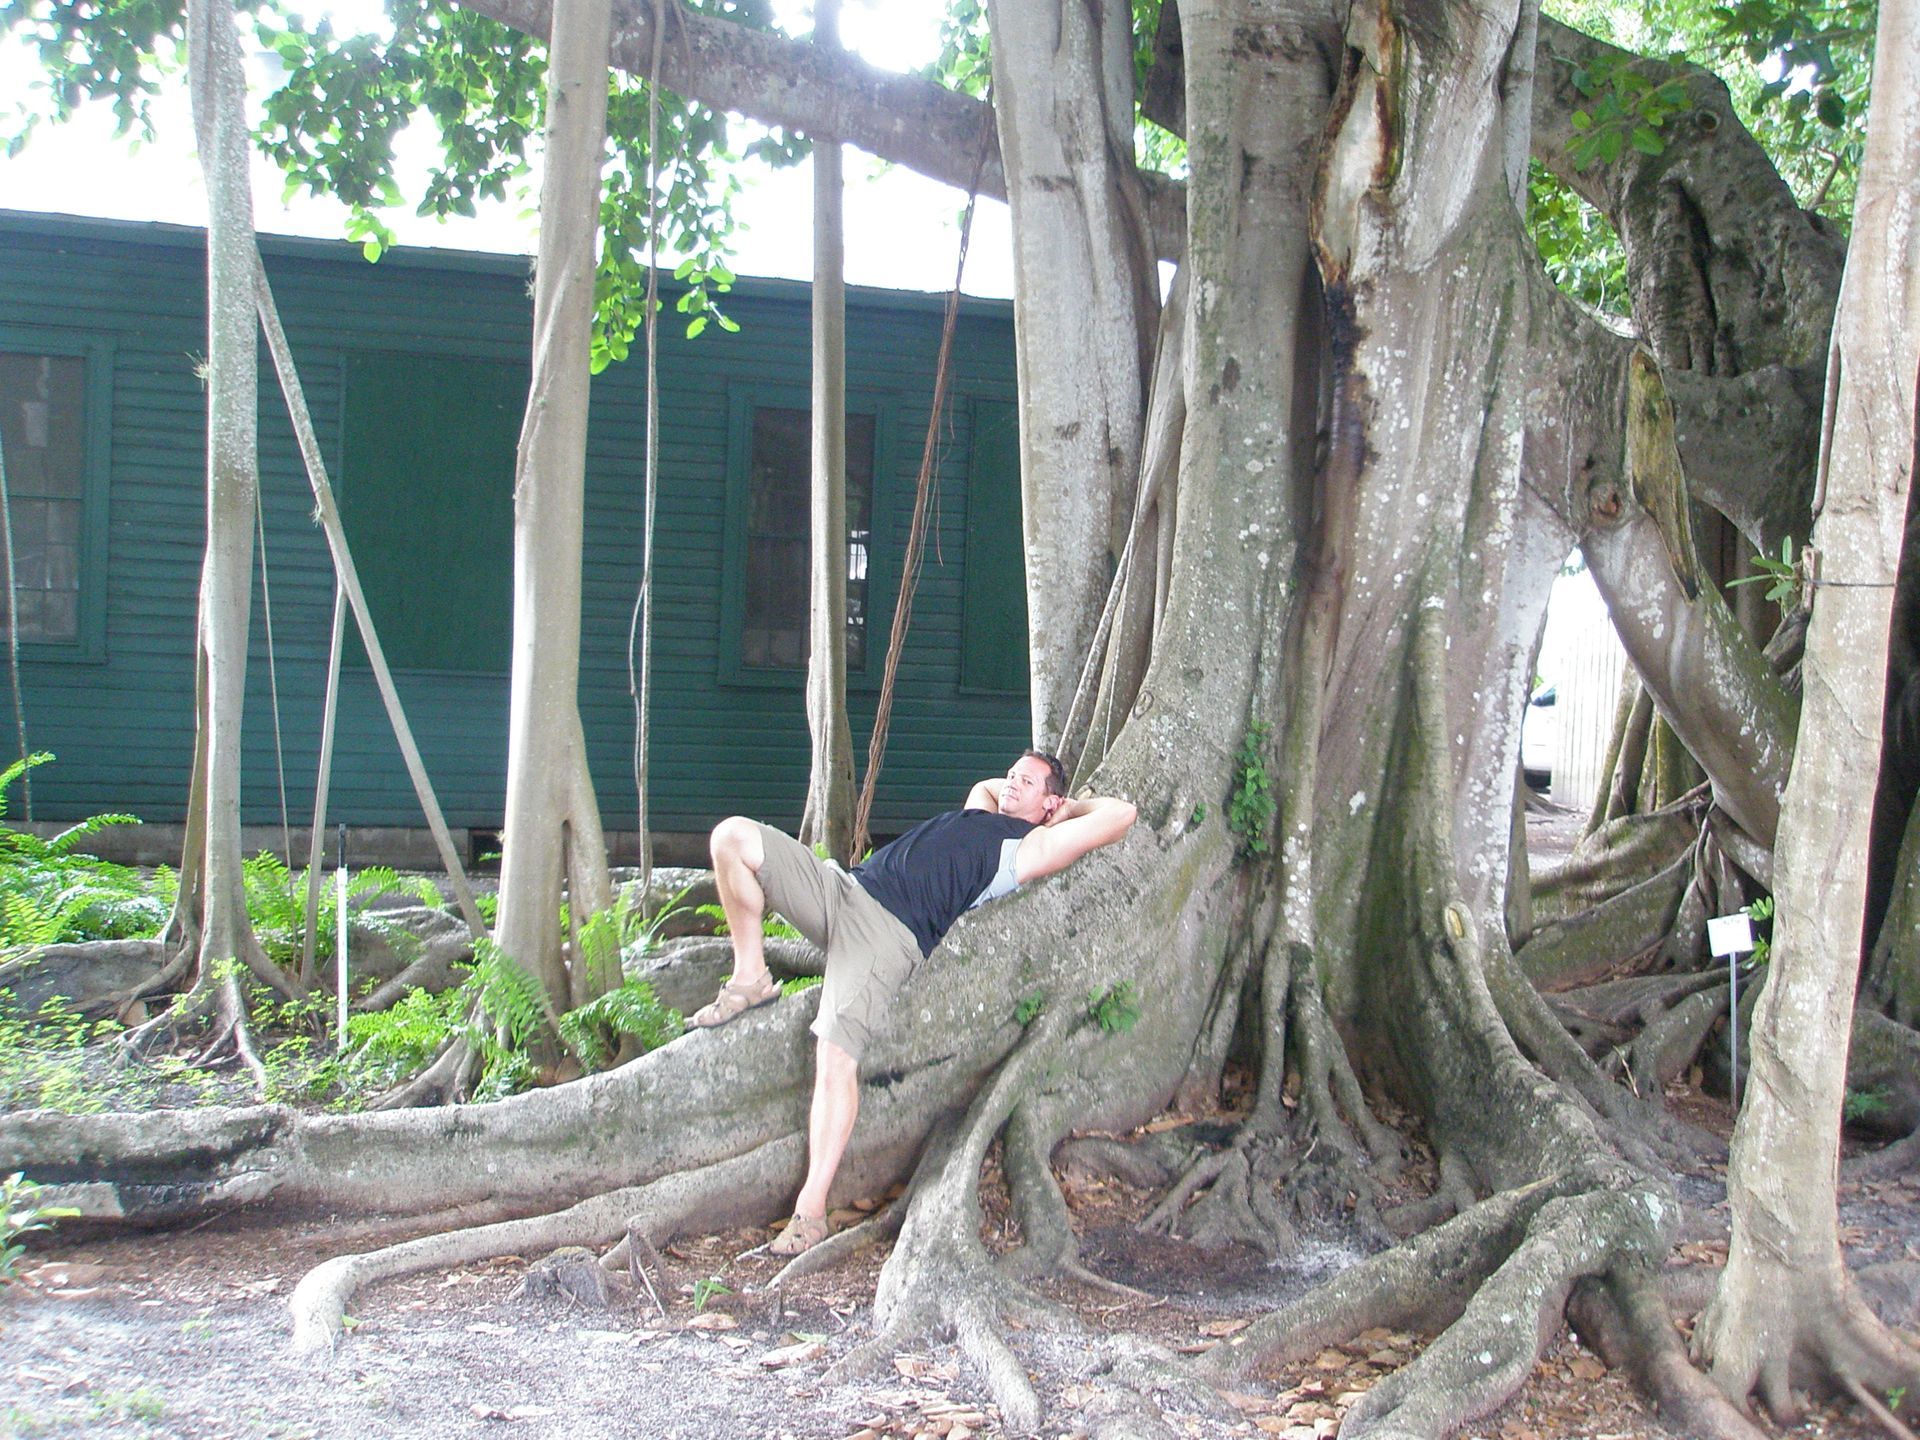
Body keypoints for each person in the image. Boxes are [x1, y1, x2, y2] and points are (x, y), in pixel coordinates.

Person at [690, 750, 1138, 1255]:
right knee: (731, 835)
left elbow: (1122, 816)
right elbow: (990, 786)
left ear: (1049, 801)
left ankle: (810, 1212)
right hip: (844, 888)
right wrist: (1027, 788)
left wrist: (1068, 809)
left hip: (884, 936)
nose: (1010, 784)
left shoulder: (1030, 848)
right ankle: (751, 976)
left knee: (835, 1057)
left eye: (1027, 782)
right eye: (1012, 773)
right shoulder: (983, 810)